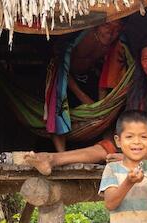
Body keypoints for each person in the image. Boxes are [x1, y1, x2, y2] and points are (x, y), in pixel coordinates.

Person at [25, 30, 147, 175]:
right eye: (145, 59)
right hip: (140, 144)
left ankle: (130, 159)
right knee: (104, 147)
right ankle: (52, 159)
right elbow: (131, 123)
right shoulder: (138, 87)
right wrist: (135, 143)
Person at [46, 20, 126, 152]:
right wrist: (83, 97)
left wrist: (102, 105)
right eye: (107, 26)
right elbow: (61, 66)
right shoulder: (80, 37)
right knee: (57, 108)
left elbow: (109, 69)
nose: (111, 33)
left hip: (88, 75)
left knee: (109, 112)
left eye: (116, 28)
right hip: (64, 77)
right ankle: (62, 153)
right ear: (96, 25)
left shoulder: (117, 42)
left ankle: (110, 147)